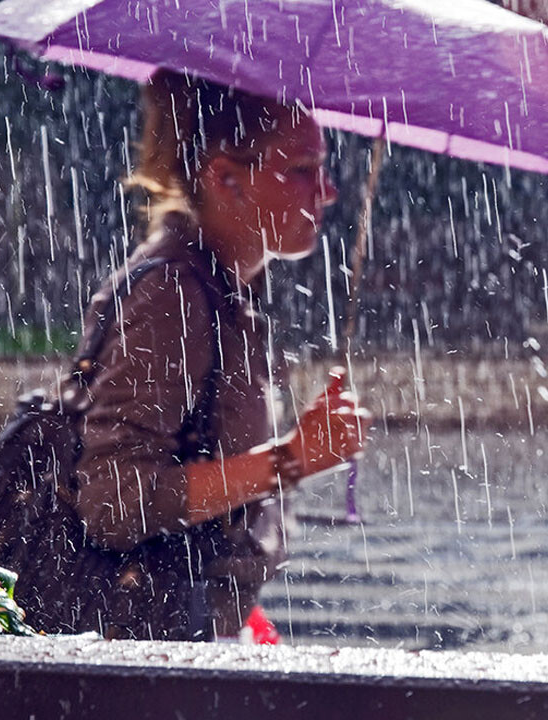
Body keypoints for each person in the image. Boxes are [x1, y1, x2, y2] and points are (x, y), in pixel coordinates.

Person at [70, 69, 367, 640]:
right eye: (303, 170)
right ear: (226, 179)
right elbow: (113, 501)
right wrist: (293, 459)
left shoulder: (227, 292)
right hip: (145, 660)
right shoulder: (175, 295)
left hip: (189, 642)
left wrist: (238, 615)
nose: (327, 191)